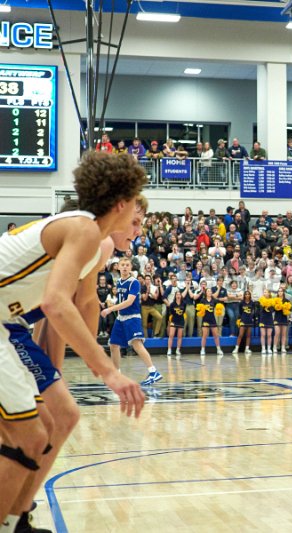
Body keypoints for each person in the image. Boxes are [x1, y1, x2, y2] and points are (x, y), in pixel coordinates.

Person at [0, 152, 146, 528]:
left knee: (37, 432)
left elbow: (75, 304)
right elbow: (56, 303)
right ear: (121, 203)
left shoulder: (87, 234)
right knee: (30, 435)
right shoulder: (85, 230)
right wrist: (108, 372)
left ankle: (14, 521)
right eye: (135, 203)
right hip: (6, 324)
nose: (137, 216)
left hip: (6, 322)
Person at [101, 257, 163, 385]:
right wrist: (112, 304)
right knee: (113, 345)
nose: (124, 267)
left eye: (127, 265)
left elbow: (129, 302)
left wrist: (110, 309)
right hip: (121, 318)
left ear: (130, 267)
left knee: (137, 344)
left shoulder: (134, 282)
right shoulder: (119, 282)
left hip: (132, 317)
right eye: (122, 265)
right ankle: (117, 375)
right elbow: (121, 300)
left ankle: (153, 372)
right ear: (118, 267)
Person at [197, 287, 224, 356]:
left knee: (216, 335)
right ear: (206, 293)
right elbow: (199, 310)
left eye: (210, 291)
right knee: (204, 335)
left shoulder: (214, 300)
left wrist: (218, 311)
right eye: (208, 291)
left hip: (212, 319)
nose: (209, 292)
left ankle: (218, 349)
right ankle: (202, 349)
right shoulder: (203, 300)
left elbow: (218, 308)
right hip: (205, 319)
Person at [233, 290, 255, 355]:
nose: (247, 295)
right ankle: (236, 348)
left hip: (249, 320)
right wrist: (241, 318)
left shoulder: (252, 303)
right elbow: (240, 312)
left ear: (250, 295)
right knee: (240, 335)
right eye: (246, 294)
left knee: (248, 335)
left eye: (248, 294)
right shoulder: (241, 303)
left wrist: (252, 318)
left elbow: (253, 311)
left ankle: (247, 349)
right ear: (244, 295)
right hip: (243, 320)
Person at [166, 289, 186, 357]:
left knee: (179, 336)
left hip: (181, 320)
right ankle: (169, 349)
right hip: (174, 320)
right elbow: (171, 312)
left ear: (181, 296)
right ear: (175, 296)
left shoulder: (184, 303)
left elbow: (184, 311)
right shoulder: (172, 304)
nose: (178, 296)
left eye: (179, 294)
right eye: (177, 294)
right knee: (171, 335)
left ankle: (178, 350)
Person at [258, 290, 275, 355]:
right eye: (264, 292)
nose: (264, 293)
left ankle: (269, 348)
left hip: (269, 318)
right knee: (263, 334)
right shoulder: (261, 300)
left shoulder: (272, 301)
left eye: (266, 292)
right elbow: (259, 311)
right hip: (262, 319)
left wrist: (269, 305)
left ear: (269, 293)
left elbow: (272, 310)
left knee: (269, 334)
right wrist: (263, 305)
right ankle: (263, 348)